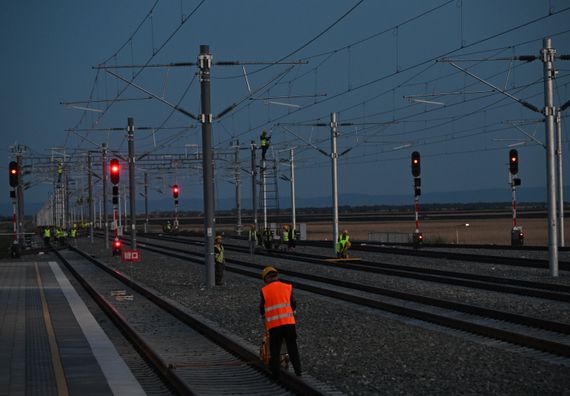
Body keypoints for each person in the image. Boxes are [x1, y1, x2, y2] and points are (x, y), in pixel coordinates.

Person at [259, 266, 302, 379]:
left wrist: (264, 314)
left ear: (267, 278)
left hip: (275, 325)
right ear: (276, 276)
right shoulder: (287, 287)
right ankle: (298, 371)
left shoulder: (265, 290)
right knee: (292, 347)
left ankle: (276, 374)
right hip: (289, 323)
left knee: (275, 349)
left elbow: (262, 309)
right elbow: (293, 303)